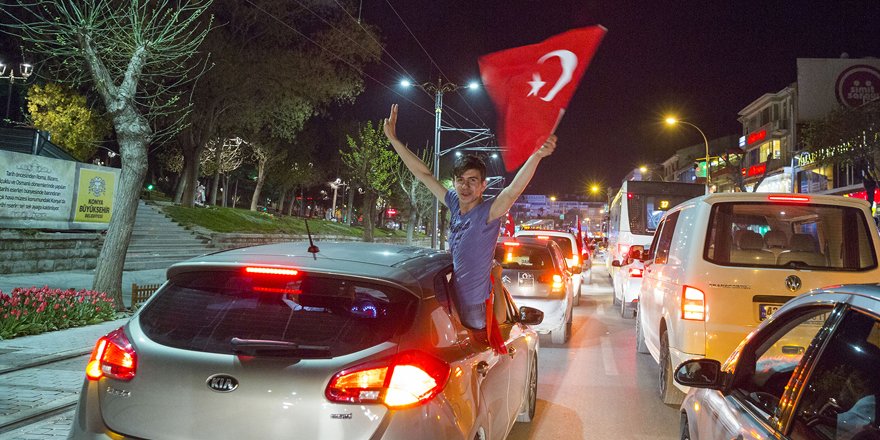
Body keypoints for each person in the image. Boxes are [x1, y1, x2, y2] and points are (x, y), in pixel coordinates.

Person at [383, 103, 555, 330]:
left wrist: (537, 155)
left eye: (472, 180)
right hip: (448, 301)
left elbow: (512, 191)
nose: (465, 186)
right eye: (460, 180)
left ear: (483, 185)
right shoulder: (454, 203)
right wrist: (394, 140)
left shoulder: (488, 214)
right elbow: (422, 174)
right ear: (454, 183)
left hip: (475, 310)